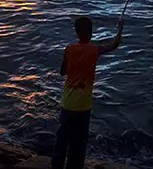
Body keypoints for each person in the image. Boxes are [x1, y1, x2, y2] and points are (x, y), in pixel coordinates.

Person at [51, 17, 124, 169]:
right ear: (90, 33)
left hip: (67, 103)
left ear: (76, 32)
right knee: (79, 143)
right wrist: (120, 29)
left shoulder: (69, 49)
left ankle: (56, 165)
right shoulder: (94, 50)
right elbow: (114, 45)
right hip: (83, 106)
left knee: (62, 139)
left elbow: (62, 72)